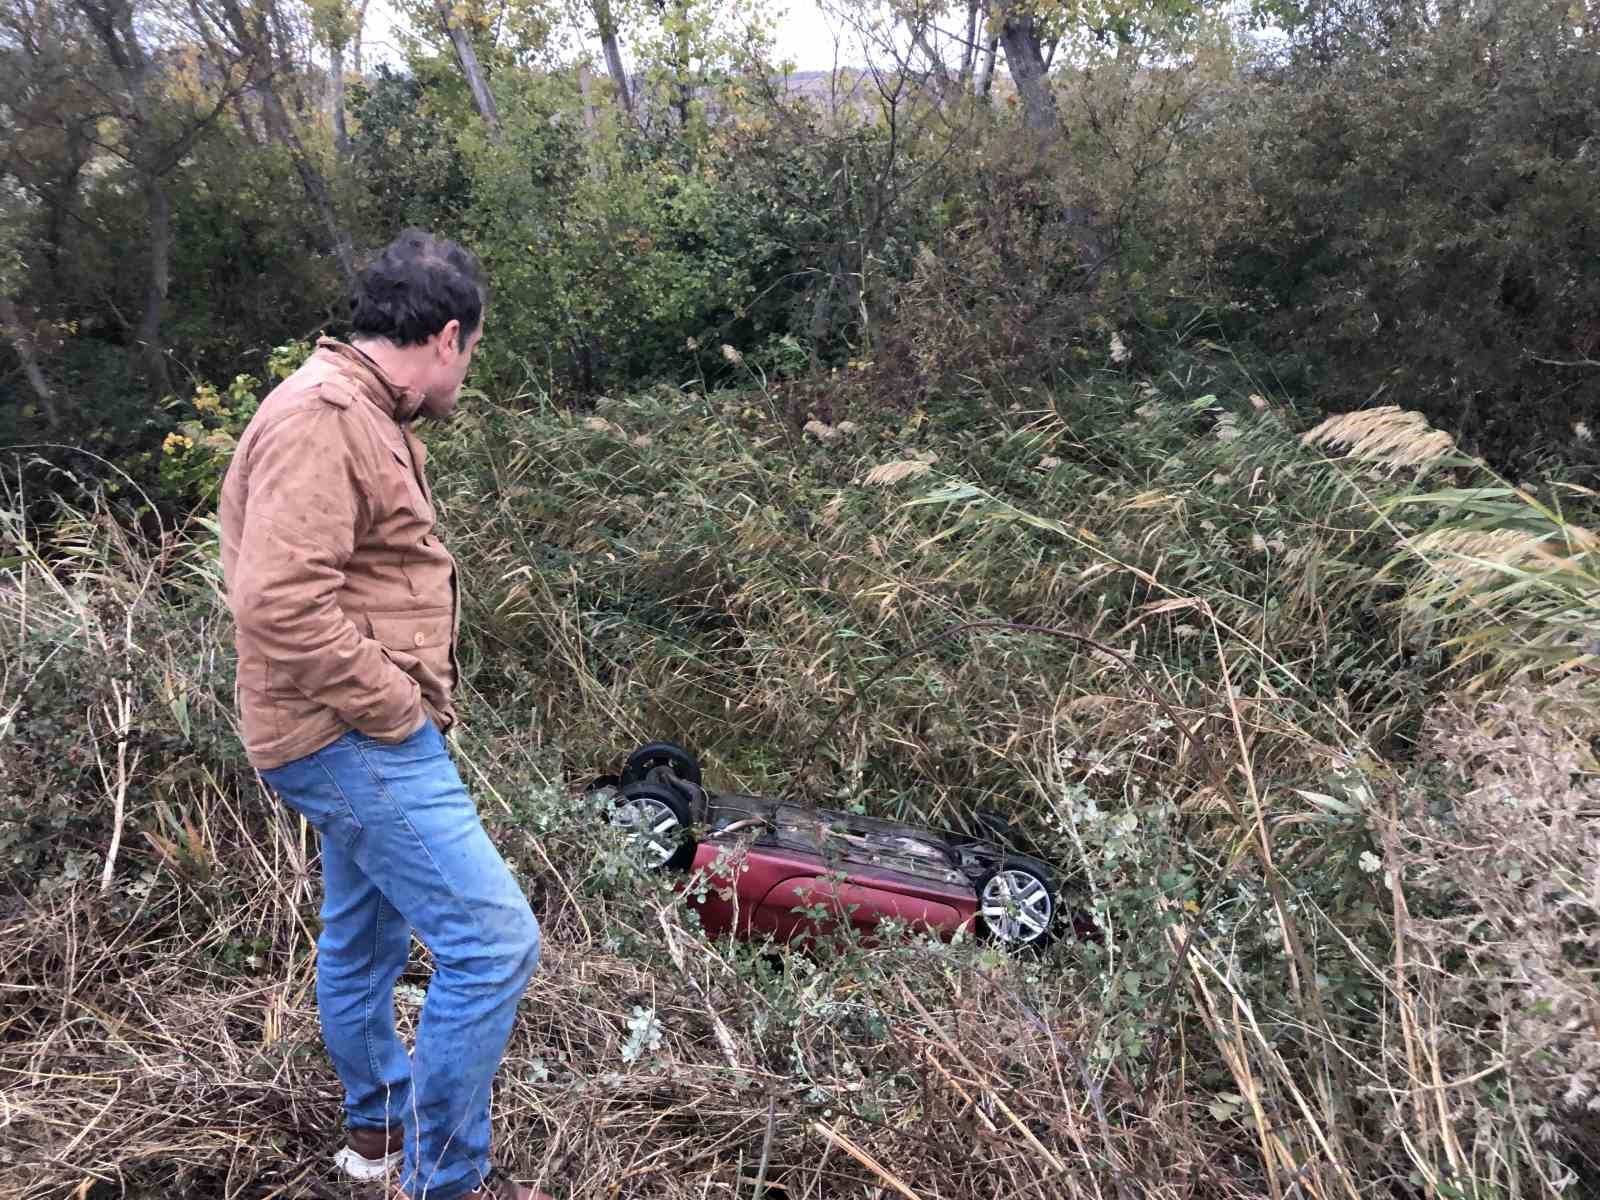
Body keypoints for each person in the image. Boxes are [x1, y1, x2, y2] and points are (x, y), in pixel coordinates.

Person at [219, 230, 551, 1200]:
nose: (468, 373)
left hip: (341, 730)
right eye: (473, 353)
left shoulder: (357, 406)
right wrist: (397, 708)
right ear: (447, 336)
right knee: (493, 945)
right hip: (349, 737)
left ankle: (379, 1132)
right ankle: (443, 1182)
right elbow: (277, 602)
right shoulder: (326, 418)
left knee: (362, 943)